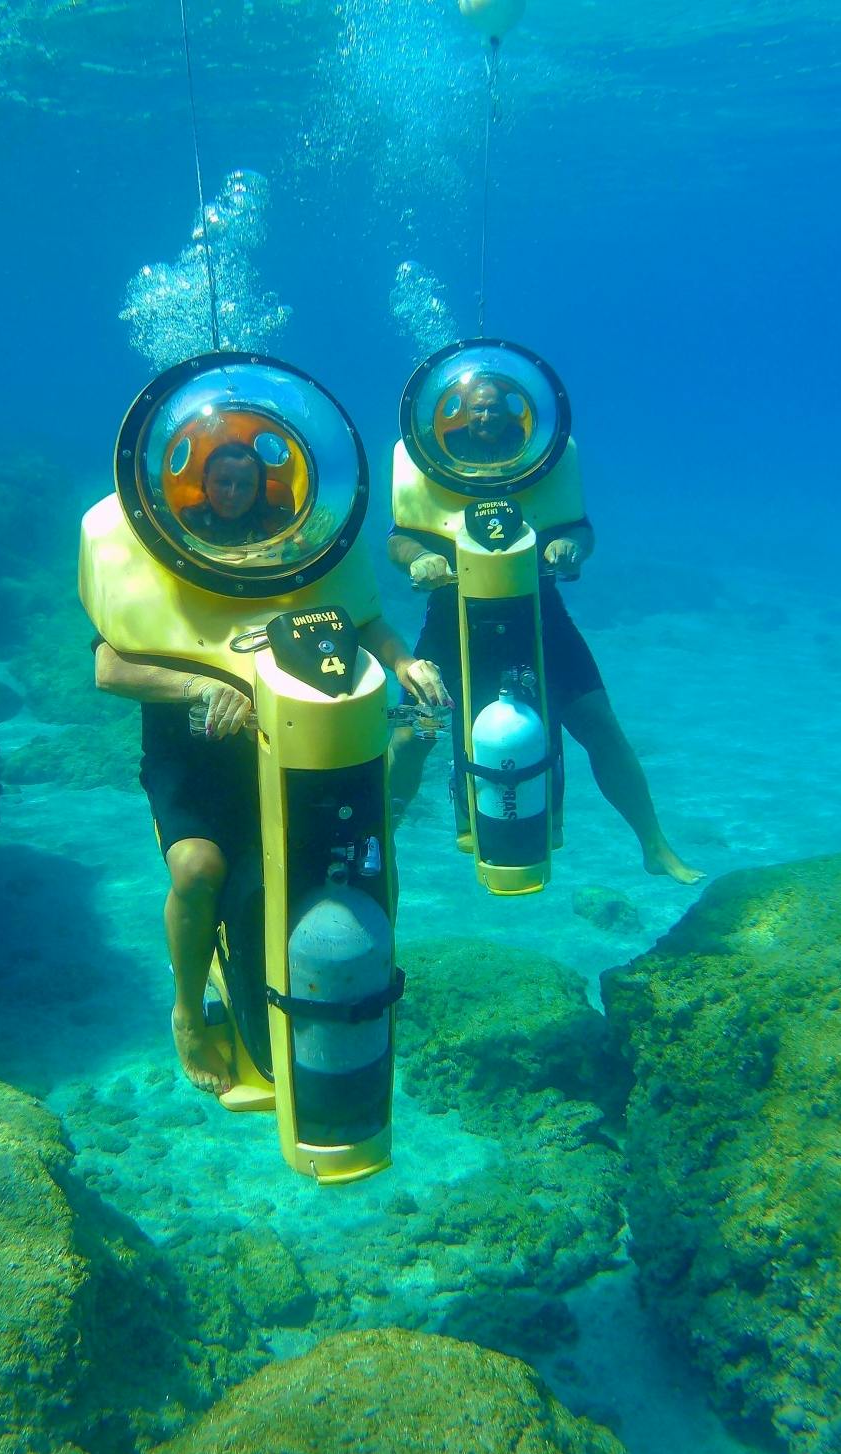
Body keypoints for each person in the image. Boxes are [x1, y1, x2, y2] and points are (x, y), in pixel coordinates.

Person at [95, 448, 449, 1095]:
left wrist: (405, 665)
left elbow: (363, 619)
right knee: (199, 870)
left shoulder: (298, 539)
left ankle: (353, 987)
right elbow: (110, 668)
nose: (231, 491)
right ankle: (186, 1013)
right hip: (190, 753)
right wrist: (198, 689)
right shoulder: (159, 541)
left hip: (290, 740)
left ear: (263, 485)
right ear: (200, 485)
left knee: (349, 856)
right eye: (220, 481)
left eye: (244, 481)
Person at [387, 375, 702, 885]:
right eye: (476, 411)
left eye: (494, 409)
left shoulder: (541, 455)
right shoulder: (433, 457)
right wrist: (419, 558)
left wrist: (572, 548)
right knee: (412, 733)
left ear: (515, 411)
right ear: (460, 414)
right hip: (451, 613)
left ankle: (655, 844)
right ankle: (381, 845)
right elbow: (397, 539)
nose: (485, 419)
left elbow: (579, 526)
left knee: (598, 722)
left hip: (538, 607)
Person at [175, 442, 296, 545]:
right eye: (223, 482)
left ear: (258, 489)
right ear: (206, 482)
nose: (232, 495)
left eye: (245, 485)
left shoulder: (280, 523)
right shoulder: (190, 522)